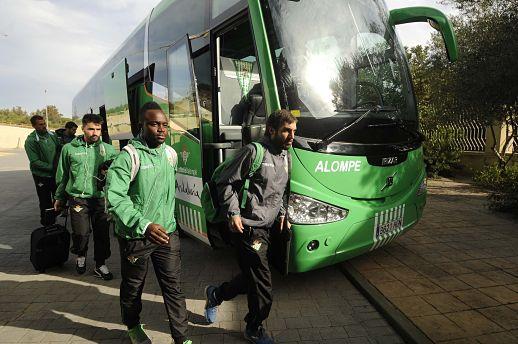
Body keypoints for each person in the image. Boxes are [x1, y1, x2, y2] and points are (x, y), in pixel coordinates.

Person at [204, 109, 297, 344]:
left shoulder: (287, 155)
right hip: (248, 227)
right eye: (286, 131)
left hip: (270, 226)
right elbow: (225, 181)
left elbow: (282, 190)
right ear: (271, 130)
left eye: (294, 131)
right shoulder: (254, 151)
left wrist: (283, 212)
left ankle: (215, 294)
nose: (291, 136)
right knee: (263, 283)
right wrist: (233, 212)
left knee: (250, 277)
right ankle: (254, 327)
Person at [106, 102, 191, 344]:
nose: (161, 130)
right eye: (154, 124)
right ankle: (133, 326)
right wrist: (144, 225)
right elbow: (115, 198)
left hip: (166, 234)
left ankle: (181, 338)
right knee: (133, 288)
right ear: (140, 126)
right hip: (137, 236)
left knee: (174, 287)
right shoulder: (128, 157)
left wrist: (169, 223)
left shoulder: (170, 154)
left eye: (164, 125)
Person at [54, 114, 116, 280]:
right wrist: (59, 197)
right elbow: (63, 175)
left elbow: (117, 175)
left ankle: (100, 264)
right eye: (91, 129)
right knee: (81, 233)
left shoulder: (108, 149)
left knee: (102, 233)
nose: (95, 132)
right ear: (83, 128)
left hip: (101, 198)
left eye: (98, 129)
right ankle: (80, 256)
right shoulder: (69, 148)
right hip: (78, 198)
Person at [24, 115, 60, 226]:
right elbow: (34, 161)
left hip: (55, 174)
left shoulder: (52, 135)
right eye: (40, 124)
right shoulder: (31, 141)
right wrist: (52, 167)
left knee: (58, 198)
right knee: (45, 201)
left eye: (44, 123)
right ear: (33, 126)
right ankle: (47, 224)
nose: (44, 126)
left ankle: (53, 217)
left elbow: (59, 149)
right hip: (41, 176)